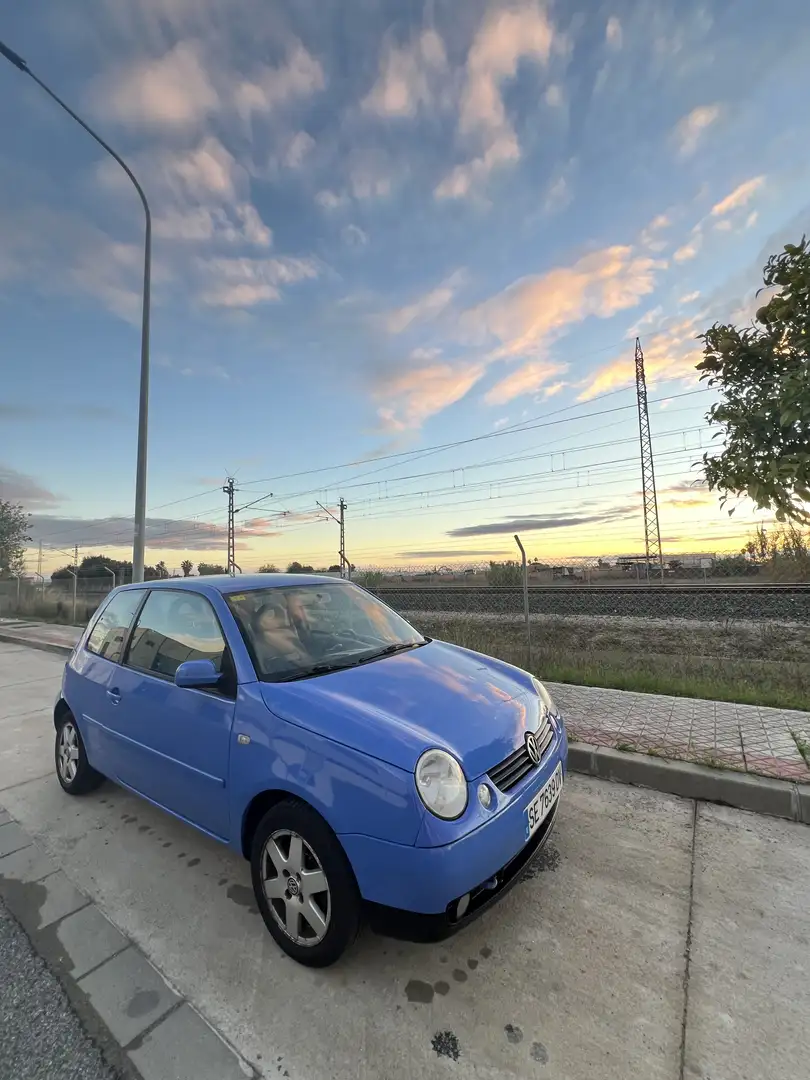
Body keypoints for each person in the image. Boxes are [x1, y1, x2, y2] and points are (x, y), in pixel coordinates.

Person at [251, 600, 311, 671]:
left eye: (279, 615)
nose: (278, 620)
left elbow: (308, 662)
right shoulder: (257, 644)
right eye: (271, 616)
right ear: (259, 621)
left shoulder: (290, 636)